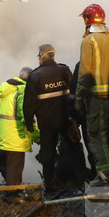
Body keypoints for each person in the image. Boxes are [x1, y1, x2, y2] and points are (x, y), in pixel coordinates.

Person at [76, 4, 109, 184]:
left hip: (96, 99)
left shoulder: (89, 41)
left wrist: (79, 99)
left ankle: (104, 176)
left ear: (87, 20)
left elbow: (85, 72)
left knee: (97, 135)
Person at [23, 44, 73, 191]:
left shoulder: (35, 75)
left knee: (48, 153)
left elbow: (29, 104)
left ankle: (50, 186)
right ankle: (74, 178)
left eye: (38, 56)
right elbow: (73, 92)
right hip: (66, 118)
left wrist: (29, 123)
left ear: (42, 56)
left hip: (46, 122)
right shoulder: (64, 70)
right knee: (71, 147)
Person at [0, 67, 38, 185]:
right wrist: (37, 136)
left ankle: (13, 189)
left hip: (6, 134)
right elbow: (26, 116)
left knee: (12, 165)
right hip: (17, 135)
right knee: (15, 168)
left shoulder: (7, 90)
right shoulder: (23, 91)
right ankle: (12, 194)